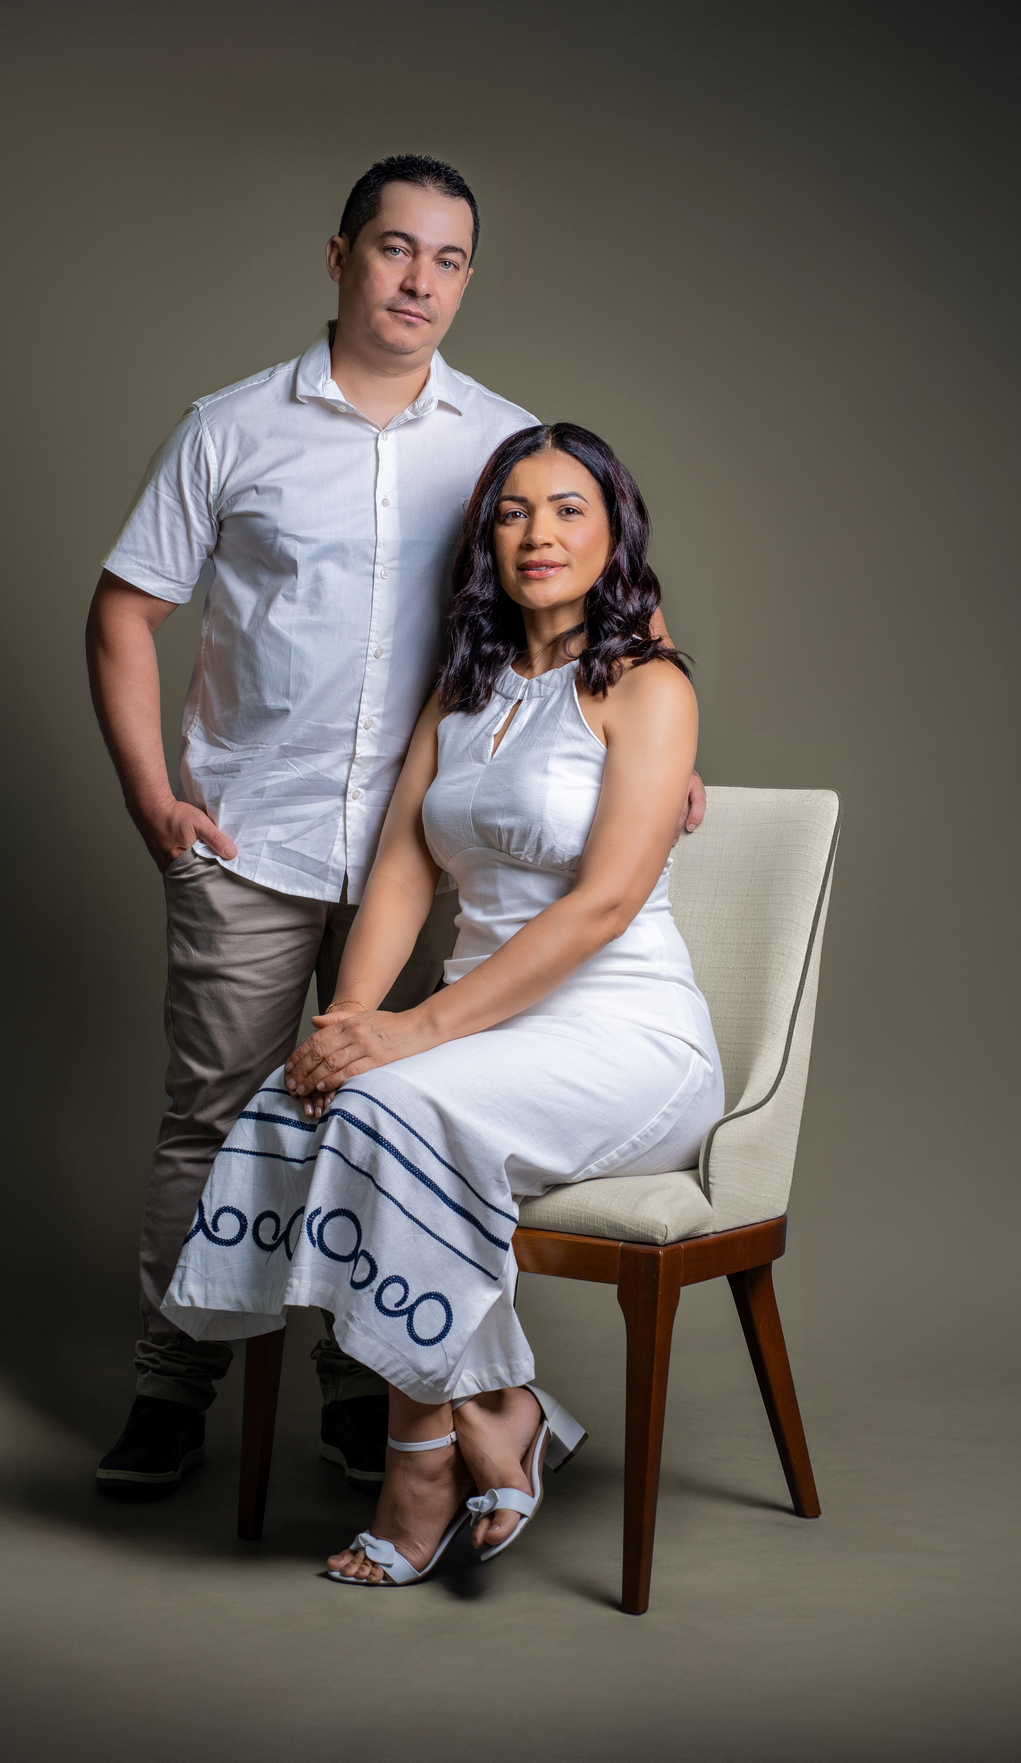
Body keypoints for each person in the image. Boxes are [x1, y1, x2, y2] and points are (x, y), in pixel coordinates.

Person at [87, 154, 705, 1499]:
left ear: (467, 279)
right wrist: (154, 799)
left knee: (386, 1107)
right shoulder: (230, 427)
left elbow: (607, 579)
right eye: (394, 249)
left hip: (434, 855)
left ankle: (365, 1395)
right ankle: (170, 1389)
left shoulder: (501, 439)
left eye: (449, 259)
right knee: (216, 1116)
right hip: (255, 839)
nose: (420, 281)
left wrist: (665, 755)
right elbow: (126, 609)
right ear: (341, 257)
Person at [159, 421, 724, 1584]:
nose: (538, 534)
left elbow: (605, 905)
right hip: (483, 1034)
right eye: (512, 513)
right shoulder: (464, 688)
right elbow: (406, 872)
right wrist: (345, 1026)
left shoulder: (650, 687)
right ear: (486, 542)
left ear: (615, 532)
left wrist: (407, 1033)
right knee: (303, 1104)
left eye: (567, 509)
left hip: (625, 1040)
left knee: (388, 1108)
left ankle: (419, 1459)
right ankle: (500, 1408)